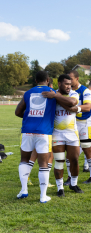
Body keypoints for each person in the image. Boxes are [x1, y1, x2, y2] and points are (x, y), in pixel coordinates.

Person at [15, 71, 56, 203]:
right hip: (44, 131)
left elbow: (17, 112)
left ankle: (23, 190)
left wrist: (30, 117)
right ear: (48, 79)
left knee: (24, 160)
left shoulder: (27, 93)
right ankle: (43, 196)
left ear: (35, 80)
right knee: (43, 163)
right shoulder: (52, 92)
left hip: (27, 130)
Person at [42, 74, 83, 196]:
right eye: (66, 84)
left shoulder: (73, 93)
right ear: (59, 83)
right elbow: (70, 106)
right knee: (59, 162)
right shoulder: (51, 94)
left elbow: (72, 102)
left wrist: (56, 96)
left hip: (72, 134)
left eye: (70, 84)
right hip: (57, 134)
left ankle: (73, 184)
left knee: (74, 160)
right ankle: (60, 188)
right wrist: (55, 96)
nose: (69, 86)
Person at [66, 70, 91, 185]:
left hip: (84, 124)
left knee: (87, 150)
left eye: (71, 79)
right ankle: (69, 177)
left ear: (77, 79)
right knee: (70, 152)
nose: (68, 82)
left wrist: (74, 108)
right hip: (71, 124)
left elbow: (88, 107)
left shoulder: (85, 91)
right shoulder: (67, 90)